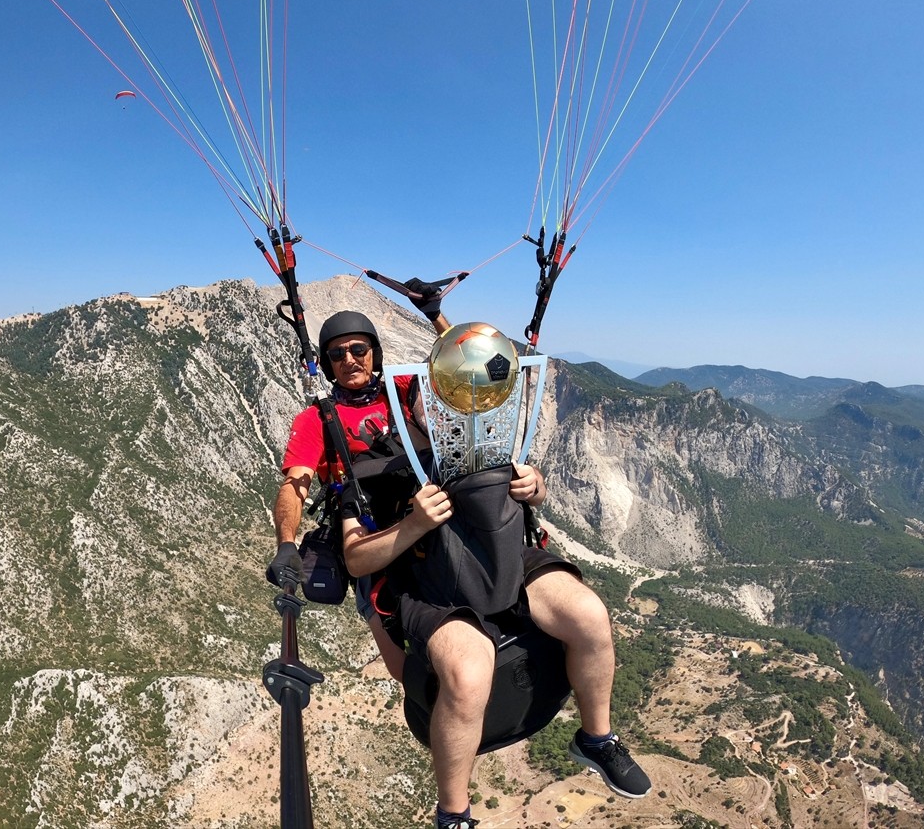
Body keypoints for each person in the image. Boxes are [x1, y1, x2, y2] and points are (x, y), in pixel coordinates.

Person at [337, 328, 652, 829]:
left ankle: (596, 738)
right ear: (416, 402)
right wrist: (412, 523)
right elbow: (356, 559)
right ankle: (454, 813)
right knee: (468, 671)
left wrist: (536, 487)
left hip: (504, 562)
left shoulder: (485, 442)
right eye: (434, 395)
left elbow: (517, 502)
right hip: (428, 582)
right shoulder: (370, 469)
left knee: (589, 615)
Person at [267, 307, 449, 680]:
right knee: (402, 668)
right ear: (328, 364)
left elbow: (456, 366)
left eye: (358, 349)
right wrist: (286, 542)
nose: (349, 359)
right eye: (337, 354)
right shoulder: (316, 419)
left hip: (429, 515)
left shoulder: (399, 390)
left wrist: (437, 318)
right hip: (367, 535)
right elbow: (295, 484)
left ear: (374, 354)